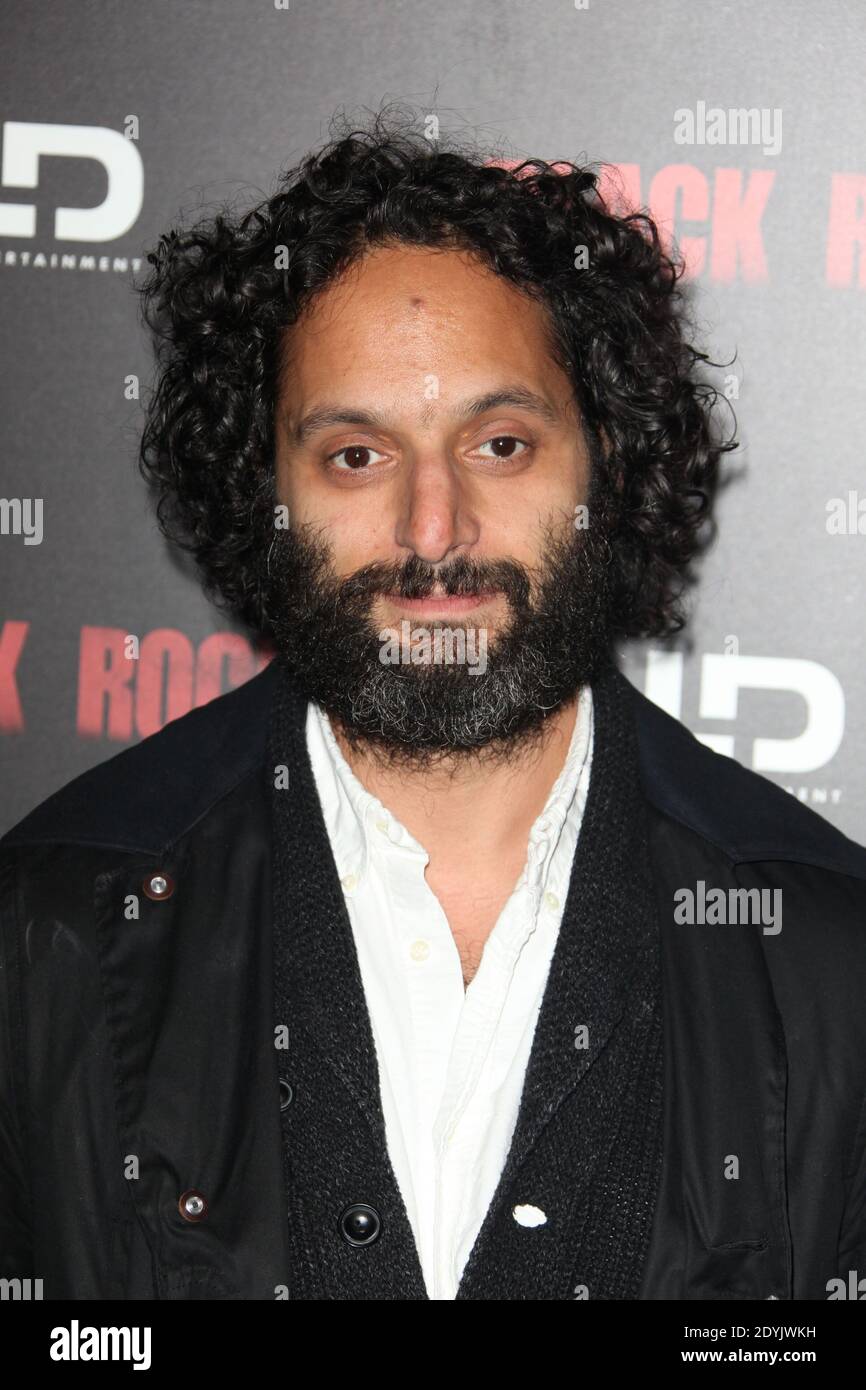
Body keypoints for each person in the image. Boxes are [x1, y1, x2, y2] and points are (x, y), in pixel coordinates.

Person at [2, 112, 865, 1302]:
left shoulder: (822, 956)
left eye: (499, 444)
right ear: (266, 492)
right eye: (354, 456)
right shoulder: (45, 929)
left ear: (602, 461)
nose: (430, 529)